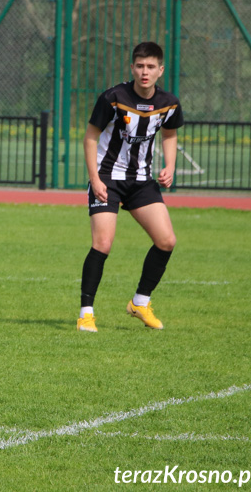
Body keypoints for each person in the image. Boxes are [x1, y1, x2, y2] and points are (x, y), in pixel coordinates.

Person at [77, 41, 183, 333]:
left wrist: (170, 167)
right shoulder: (113, 97)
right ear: (132, 67)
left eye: (150, 67)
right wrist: (95, 179)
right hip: (107, 179)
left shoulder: (168, 103)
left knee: (167, 241)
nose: (144, 72)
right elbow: (90, 138)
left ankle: (140, 302)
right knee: (103, 243)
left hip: (141, 182)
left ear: (160, 70)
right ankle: (86, 314)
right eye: (139, 66)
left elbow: (170, 135)